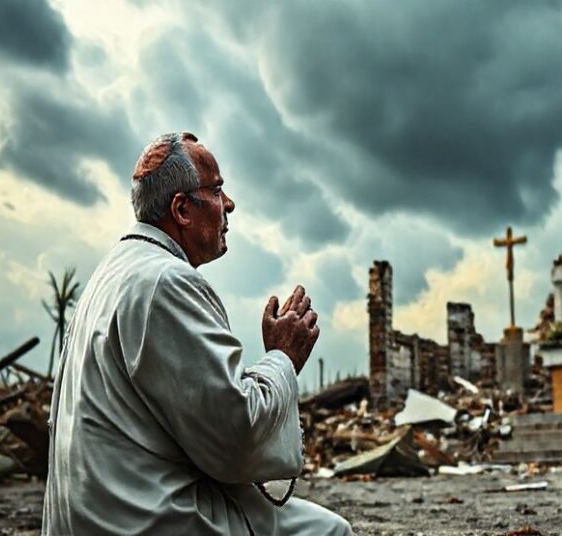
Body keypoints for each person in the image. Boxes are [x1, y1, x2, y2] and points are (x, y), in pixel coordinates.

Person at [42, 132, 353, 535]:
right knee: (329, 531)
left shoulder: (112, 274)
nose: (229, 204)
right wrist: (282, 359)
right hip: (145, 520)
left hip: (91, 518)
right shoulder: (167, 282)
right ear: (183, 209)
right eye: (218, 189)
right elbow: (234, 441)